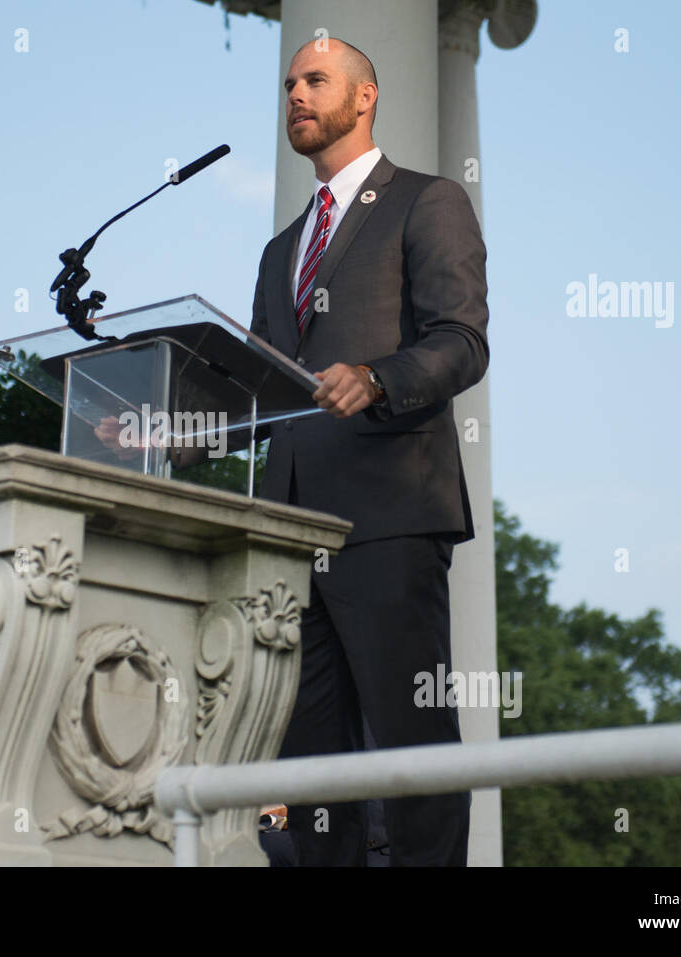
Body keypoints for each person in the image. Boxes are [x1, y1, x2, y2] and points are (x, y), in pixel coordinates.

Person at [250, 37, 489, 866]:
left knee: (411, 748)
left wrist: (380, 379)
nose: (296, 95)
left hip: (388, 517)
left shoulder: (428, 202)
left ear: (366, 98)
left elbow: (463, 342)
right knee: (312, 776)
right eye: (289, 84)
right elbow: (257, 386)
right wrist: (164, 423)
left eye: (315, 81)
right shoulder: (280, 252)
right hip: (289, 542)